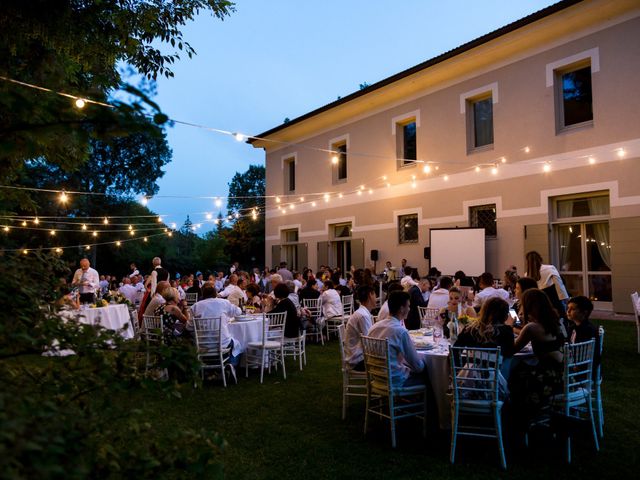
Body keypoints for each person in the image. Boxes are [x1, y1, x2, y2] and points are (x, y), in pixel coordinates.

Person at [510, 289, 566, 425]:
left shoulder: (532, 328)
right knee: (521, 369)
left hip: (547, 380)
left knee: (512, 376)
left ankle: (520, 421)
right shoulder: (556, 322)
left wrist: (508, 327)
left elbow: (511, 350)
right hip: (564, 375)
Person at [367, 291, 426, 387]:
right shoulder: (400, 331)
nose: (409, 309)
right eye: (408, 306)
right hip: (396, 380)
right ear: (402, 309)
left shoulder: (373, 328)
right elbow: (417, 366)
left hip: (377, 377)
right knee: (426, 373)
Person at [191, 282, 242, 366]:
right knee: (238, 344)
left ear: (203, 295)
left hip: (203, 345)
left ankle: (212, 368)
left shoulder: (195, 306)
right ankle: (231, 365)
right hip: (222, 344)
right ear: (215, 294)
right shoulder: (224, 303)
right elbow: (238, 312)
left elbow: (189, 327)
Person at [525, 251, 569, 318]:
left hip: (537, 306)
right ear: (540, 259)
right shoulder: (549, 268)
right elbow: (559, 285)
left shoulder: (526, 275)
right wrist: (566, 300)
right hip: (552, 301)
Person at [344, 286, 376, 371]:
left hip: (357, 356)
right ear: (370, 295)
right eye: (375, 295)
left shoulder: (363, 313)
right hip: (357, 360)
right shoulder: (363, 315)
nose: (376, 298)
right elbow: (370, 342)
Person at [566, 295, 601, 370]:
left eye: (572, 309)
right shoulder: (572, 328)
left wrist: (577, 366)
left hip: (581, 369)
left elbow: (592, 355)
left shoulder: (588, 330)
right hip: (572, 362)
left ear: (584, 312)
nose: (568, 311)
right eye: (568, 308)